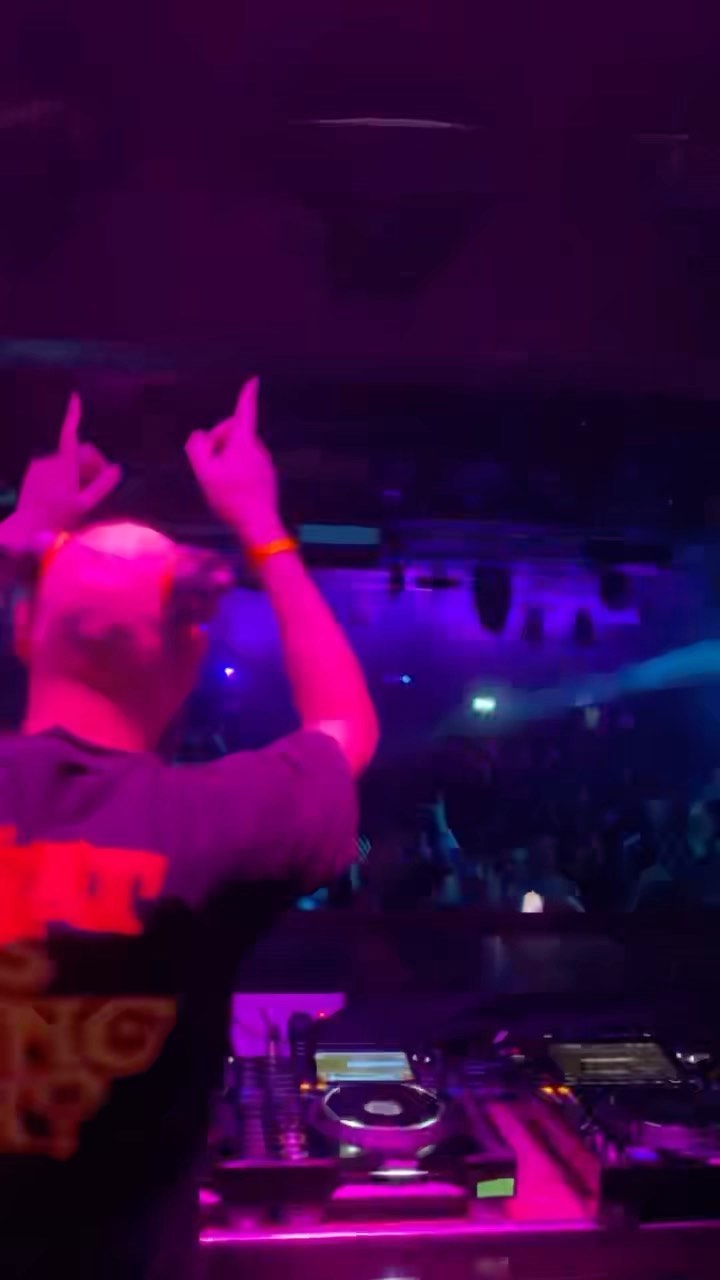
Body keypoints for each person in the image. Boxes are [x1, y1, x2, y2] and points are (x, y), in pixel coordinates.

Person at [0, 382, 378, 1279]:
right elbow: (344, 729)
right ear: (192, 654)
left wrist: (22, 534)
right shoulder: (214, 824)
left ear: (22, 630)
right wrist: (263, 527)